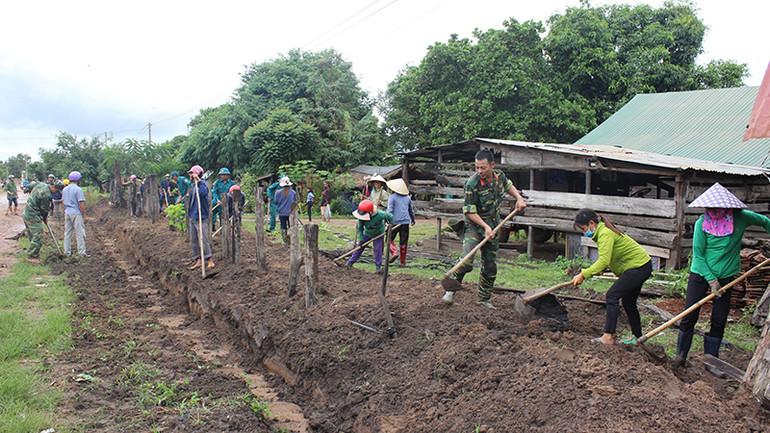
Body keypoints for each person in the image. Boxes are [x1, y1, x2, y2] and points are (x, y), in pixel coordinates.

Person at [671, 183, 770, 373]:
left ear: (728, 208)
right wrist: (711, 280)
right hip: (701, 273)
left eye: (717, 209)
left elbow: (765, 222)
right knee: (690, 314)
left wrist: (719, 281)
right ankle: (680, 355)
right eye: (710, 209)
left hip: (727, 275)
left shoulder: (742, 218)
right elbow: (698, 256)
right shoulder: (702, 224)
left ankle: (712, 362)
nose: (713, 212)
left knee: (719, 318)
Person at [441, 149, 527, 309]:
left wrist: (519, 198)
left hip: (494, 225)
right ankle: (451, 289)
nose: (479, 171)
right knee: (466, 262)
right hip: (474, 227)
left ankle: (484, 300)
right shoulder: (471, 184)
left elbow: (508, 186)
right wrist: (485, 227)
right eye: (477, 167)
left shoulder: (499, 176)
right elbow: (470, 211)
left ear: (492, 165)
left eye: (483, 168)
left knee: (490, 265)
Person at [571, 209, 651, 345]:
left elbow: (603, 260)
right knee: (628, 302)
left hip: (637, 267)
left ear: (592, 223)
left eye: (584, 229)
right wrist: (603, 269)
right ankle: (638, 338)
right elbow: (612, 257)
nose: (585, 232)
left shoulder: (605, 233)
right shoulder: (601, 232)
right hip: (641, 266)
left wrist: (583, 274)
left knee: (612, 296)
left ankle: (608, 336)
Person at [347, 199, 394, 274]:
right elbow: (360, 228)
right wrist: (361, 239)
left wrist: (389, 228)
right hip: (368, 233)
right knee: (359, 248)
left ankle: (378, 268)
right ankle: (349, 263)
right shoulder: (361, 218)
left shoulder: (380, 214)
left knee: (378, 250)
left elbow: (390, 216)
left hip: (379, 233)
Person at [22, 180, 65, 263]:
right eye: (56, 191)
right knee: (39, 235)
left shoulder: (41, 184)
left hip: (26, 213)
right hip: (32, 215)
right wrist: (45, 218)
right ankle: (31, 257)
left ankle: (35, 254)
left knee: (32, 235)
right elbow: (44, 210)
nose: (56, 193)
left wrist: (27, 189)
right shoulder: (47, 195)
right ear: (53, 187)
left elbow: (32, 184)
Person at [187, 165, 214, 270]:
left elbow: (204, 192)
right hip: (193, 217)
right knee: (193, 240)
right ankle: (198, 260)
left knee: (203, 239)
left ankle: (209, 260)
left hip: (201, 217)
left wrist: (198, 180)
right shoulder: (193, 186)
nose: (190, 176)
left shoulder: (202, 185)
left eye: (192, 173)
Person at [386, 178, 415, 266]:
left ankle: (394, 252)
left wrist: (386, 219)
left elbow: (390, 210)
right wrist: (412, 219)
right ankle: (403, 263)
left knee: (388, 239)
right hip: (405, 222)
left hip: (395, 222)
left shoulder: (392, 197)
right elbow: (411, 210)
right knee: (403, 242)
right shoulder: (407, 198)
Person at [62, 171, 88, 256]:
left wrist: (65, 210)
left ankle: (67, 252)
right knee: (80, 233)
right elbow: (80, 203)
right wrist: (84, 215)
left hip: (67, 212)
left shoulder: (65, 189)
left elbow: (63, 201)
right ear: (78, 179)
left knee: (67, 233)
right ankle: (81, 252)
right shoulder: (78, 189)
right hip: (76, 213)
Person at [273, 176, 297, 244]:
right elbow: (295, 202)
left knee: (283, 227)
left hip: (281, 212)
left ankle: (285, 241)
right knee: (291, 226)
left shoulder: (278, 193)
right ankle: (291, 239)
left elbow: (275, 201)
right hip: (291, 213)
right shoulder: (293, 193)